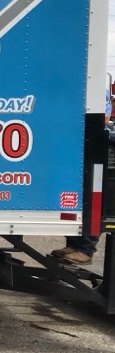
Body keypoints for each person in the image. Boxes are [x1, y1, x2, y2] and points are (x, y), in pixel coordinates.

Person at [51, 84, 112, 264]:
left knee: (89, 197)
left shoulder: (97, 86)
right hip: (75, 144)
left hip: (90, 146)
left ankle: (86, 249)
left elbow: (105, 117)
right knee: (73, 196)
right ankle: (73, 244)